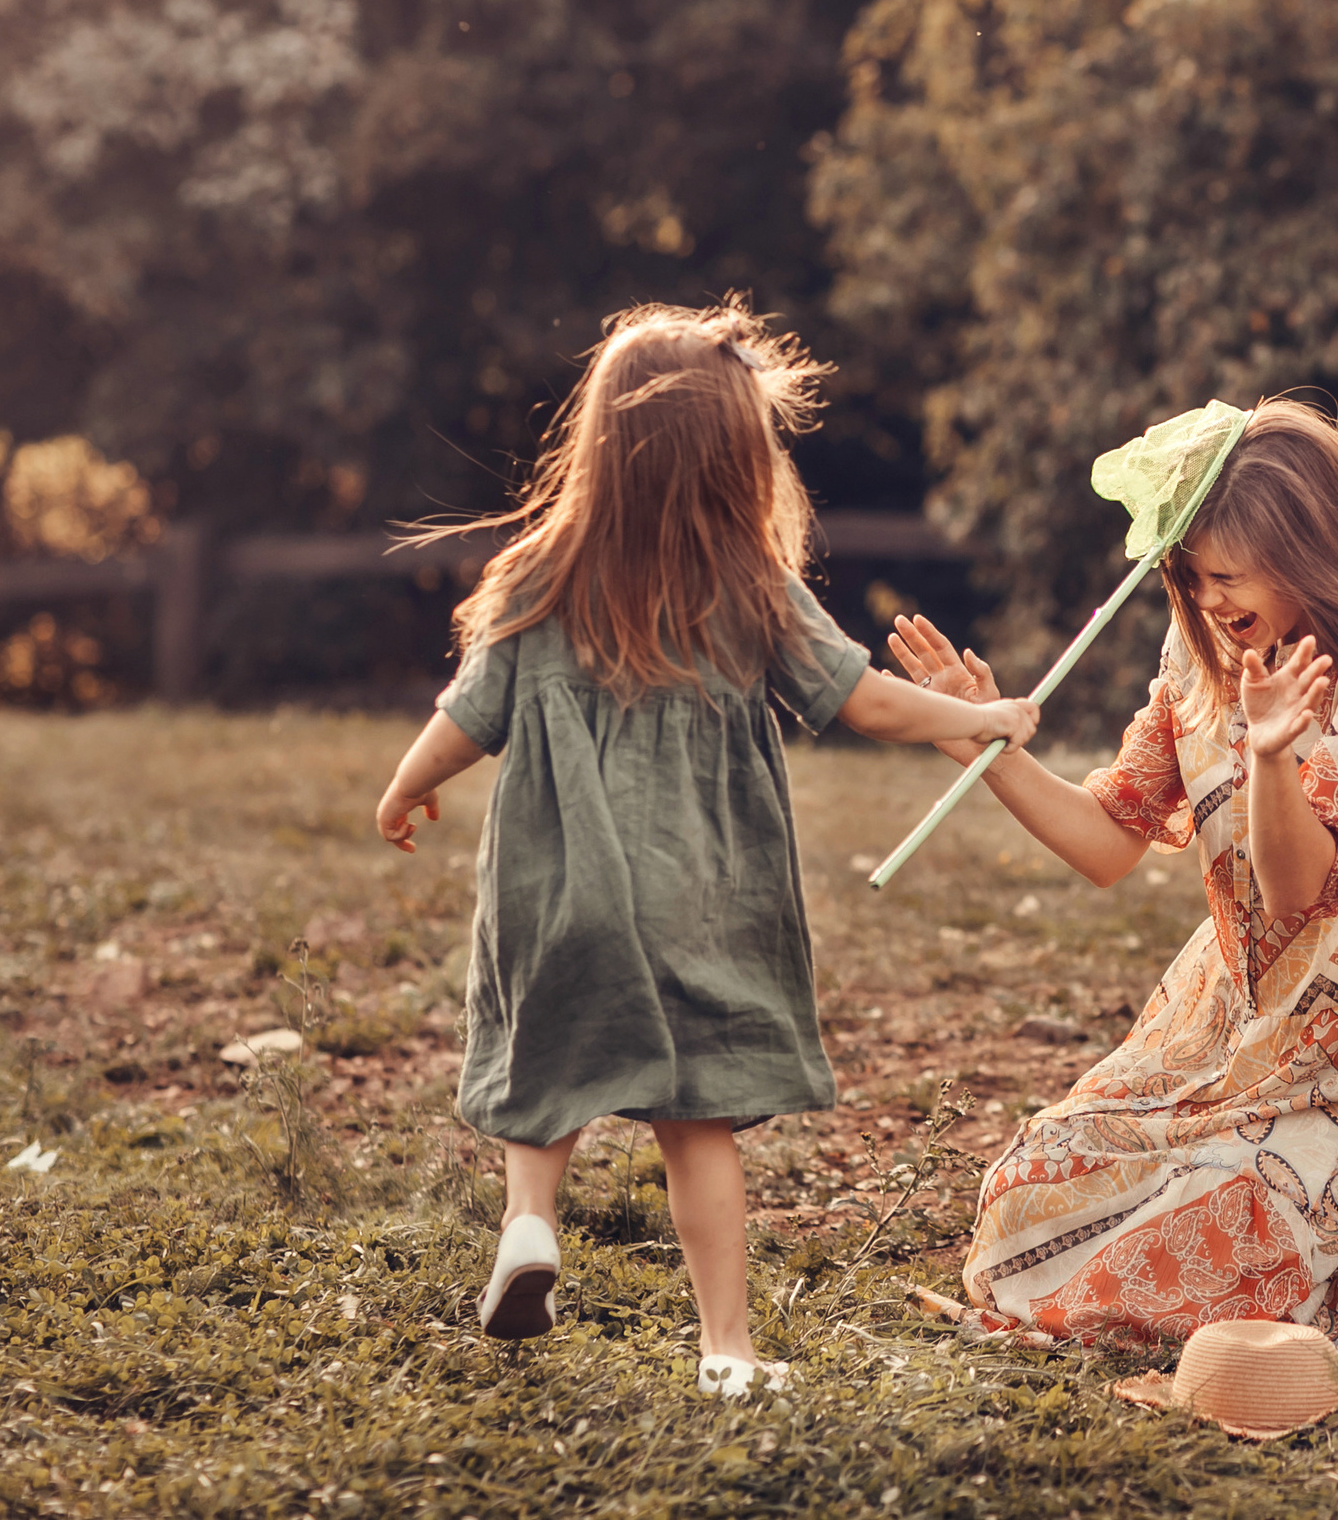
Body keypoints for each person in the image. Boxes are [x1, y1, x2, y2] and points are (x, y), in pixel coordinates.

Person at [373, 301, 1038, 1399]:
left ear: (601, 446)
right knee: (698, 1123)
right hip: (704, 898)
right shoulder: (750, 592)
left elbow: (467, 714)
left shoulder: (539, 580)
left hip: (559, 896)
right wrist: (977, 717)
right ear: (737, 457)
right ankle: (724, 1348)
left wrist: (403, 788)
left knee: (546, 1077)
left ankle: (530, 1226)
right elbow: (864, 704)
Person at [886, 399, 1338, 1347]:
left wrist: (1275, 759)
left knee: (1198, 1272)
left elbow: (1295, 894)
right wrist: (980, 743)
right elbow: (1109, 843)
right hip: (1223, 1029)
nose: (1206, 600)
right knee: (1017, 1211)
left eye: (1227, 575)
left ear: (1306, 546)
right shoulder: (1204, 647)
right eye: (1190, 576)